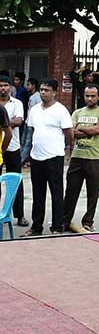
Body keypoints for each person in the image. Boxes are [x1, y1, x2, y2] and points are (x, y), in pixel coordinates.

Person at [24, 79, 73, 236]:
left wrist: (63, 148)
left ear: (54, 92)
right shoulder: (35, 110)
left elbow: (69, 134)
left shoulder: (61, 110)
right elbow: (32, 130)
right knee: (38, 194)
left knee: (56, 193)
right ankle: (36, 226)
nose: (43, 92)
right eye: (42, 90)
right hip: (36, 156)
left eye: (47, 90)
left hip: (54, 157)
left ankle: (57, 227)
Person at [64, 84, 99, 233]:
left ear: (98, 96)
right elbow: (71, 133)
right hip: (77, 156)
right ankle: (65, 220)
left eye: (92, 96)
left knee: (92, 192)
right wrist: (89, 131)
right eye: (87, 95)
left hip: (95, 158)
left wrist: (80, 128)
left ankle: (88, 222)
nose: (89, 98)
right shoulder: (77, 112)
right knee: (71, 191)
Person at [0, 75, 28, 226]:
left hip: (12, 147)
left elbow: (19, 121)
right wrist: (7, 123)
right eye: (0, 85)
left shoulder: (17, 103)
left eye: (5, 85)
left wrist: (3, 122)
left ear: (10, 87)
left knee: (16, 181)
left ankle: (20, 215)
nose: (3, 88)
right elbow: (13, 121)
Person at [20, 77, 40, 164]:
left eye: (28, 85)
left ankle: (20, 161)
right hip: (27, 122)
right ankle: (20, 158)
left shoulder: (37, 97)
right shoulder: (32, 96)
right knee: (23, 142)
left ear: (33, 86)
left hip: (32, 123)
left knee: (28, 143)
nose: (27, 87)